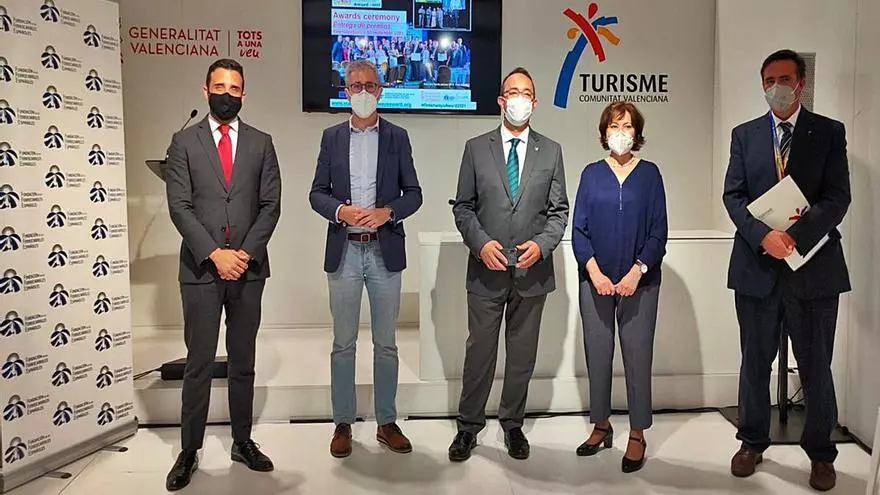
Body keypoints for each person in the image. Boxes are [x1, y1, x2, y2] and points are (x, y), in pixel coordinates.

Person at [723, 49, 850, 492]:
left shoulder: (829, 132)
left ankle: (821, 453)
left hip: (813, 270)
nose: (776, 87)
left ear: (800, 84)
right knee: (754, 363)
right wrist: (764, 237)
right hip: (756, 269)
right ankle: (751, 441)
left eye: (784, 79)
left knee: (816, 366)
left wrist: (794, 237)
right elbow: (733, 196)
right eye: (769, 80)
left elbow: (838, 197)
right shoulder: (744, 135)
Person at [164, 58, 281, 492]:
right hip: (201, 269)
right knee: (198, 362)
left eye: (234, 88)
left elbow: (271, 205)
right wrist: (215, 254)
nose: (226, 95)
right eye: (219, 87)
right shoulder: (183, 142)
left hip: (248, 271)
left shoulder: (262, 143)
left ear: (244, 94)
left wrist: (243, 255)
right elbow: (180, 206)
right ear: (206, 90)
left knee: (243, 361)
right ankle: (189, 450)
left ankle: (242, 441)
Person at [449, 67, 569, 462]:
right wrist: (481, 244)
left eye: (526, 93)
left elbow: (559, 211)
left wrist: (543, 245)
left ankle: (513, 424)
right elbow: (463, 207)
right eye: (512, 92)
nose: (520, 99)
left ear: (535, 102)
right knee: (479, 353)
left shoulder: (551, 151)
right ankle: (468, 427)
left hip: (532, 272)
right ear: (501, 100)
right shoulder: (475, 148)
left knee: (521, 356)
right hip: (487, 270)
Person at [309, 60, 423, 459]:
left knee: (386, 343)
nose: (362, 92)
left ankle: (386, 422)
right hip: (344, 250)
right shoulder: (331, 137)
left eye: (369, 85)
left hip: (383, 249)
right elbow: (317, 193)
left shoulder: (397, 137)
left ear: (380, 91)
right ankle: (342, 423)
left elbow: (414, 193)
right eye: (355, 85)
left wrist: (388, 212)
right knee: (343, 343)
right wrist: (340, 211)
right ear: (345, 91)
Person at [571, 101, 667, 473]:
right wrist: (594, 272)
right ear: (604, 132)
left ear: (637, 133)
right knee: (597, 354)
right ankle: (601, 425)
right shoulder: (591, 174)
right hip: (595, 280)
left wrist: (637, 272)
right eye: (614, 126)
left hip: (640, 282)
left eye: (627, 126)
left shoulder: (650, 174)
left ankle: (637, 433)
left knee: (638, 358)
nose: (621, 132)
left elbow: (659, 231)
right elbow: (578, 230)